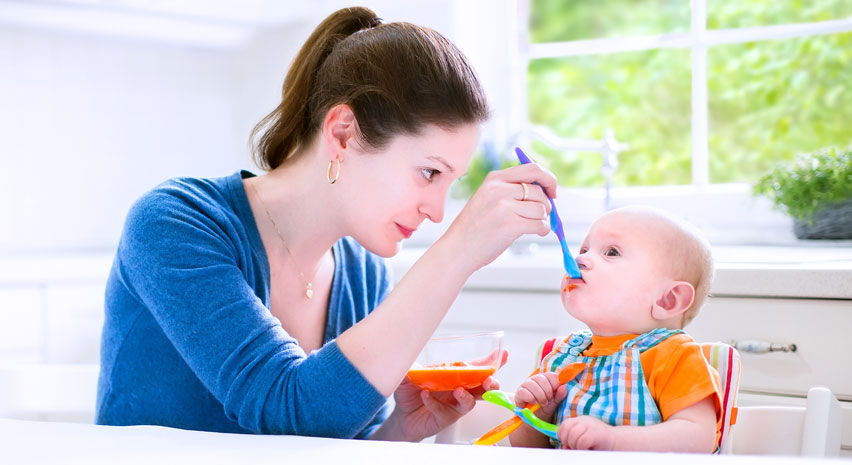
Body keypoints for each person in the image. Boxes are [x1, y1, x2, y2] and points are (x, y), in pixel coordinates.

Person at [96, 7, 558, 442]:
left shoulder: (362, 274)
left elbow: (325, 448)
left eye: (449, 183)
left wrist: (402, 429)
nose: (437, 211)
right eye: (429, 173)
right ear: (343, 133)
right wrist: (458, 252)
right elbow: (289, 408)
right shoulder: (175, 224)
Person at [508, 206, 722, 452]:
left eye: (611, 252)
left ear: (667, 300)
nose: (580, 259)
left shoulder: (675, 357)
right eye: (584, 249)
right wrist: (536, 415)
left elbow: (698, 439)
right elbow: (526, 448)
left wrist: (613, 440)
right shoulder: (560, 356)